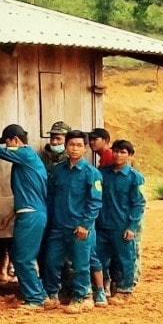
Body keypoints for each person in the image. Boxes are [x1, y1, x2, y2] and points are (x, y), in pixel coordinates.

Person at [0, 124, 49, 309]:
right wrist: (12, 214)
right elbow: (29, 192)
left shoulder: (24, 153)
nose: (6, 146)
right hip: (30, 212)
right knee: (19, 255)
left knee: (22, 258)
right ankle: (39, 294)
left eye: (7, 142)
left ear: (14, 140)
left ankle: (35, 299)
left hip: (31, 214)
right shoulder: (28, 159)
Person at [42, 130, 104, 314]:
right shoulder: (57, 171)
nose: (74, 149)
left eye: (79, 145)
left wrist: (85, 224)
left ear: (85, 149)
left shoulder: (91, 174)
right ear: (66, 147)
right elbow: (50, 197)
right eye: (71, 145)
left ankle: (82, 297)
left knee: (80, 264)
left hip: (80, 228)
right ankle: (52, 295)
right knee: (51, 262)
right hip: (58, 226)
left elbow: (95, 202)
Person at [96, 139, 146, 299]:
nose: (118, 155)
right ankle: (102, 288)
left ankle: (124, 290)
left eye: (123, 152)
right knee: (99, 259)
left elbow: (138, 203)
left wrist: (132, 226)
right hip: (102, 225)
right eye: (116, 151)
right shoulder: (102, 174)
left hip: (122, 226)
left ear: (130, 155)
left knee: (125, 259)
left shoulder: (135, 177)